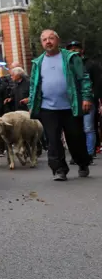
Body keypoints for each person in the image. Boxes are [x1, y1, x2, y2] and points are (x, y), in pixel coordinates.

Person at [29, 30, 93, 180]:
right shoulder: (38, 62)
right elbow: (33, 85)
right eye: (44, 39)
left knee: (75, 138)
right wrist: (32, 103)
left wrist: (86, 98)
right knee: (53, 139)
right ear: (42, 43)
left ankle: (82, 162)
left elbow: (84, 78)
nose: (48, 41)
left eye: (51, 38)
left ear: (57, 40)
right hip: (48, 108)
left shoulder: (71, 58)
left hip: (71, 106)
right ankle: (59, 170)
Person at [65, 40, 99, 160]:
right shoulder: (66, 65)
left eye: (76, 47)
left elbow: (98, 83)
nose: (73, 49)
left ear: (82, 50)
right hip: (71, 102)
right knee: (74, 129)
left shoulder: (91, 64)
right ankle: (78, 154)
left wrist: (94, 98)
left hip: (88, 100)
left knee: (88, 128)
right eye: (71, 48)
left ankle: (89, 153)